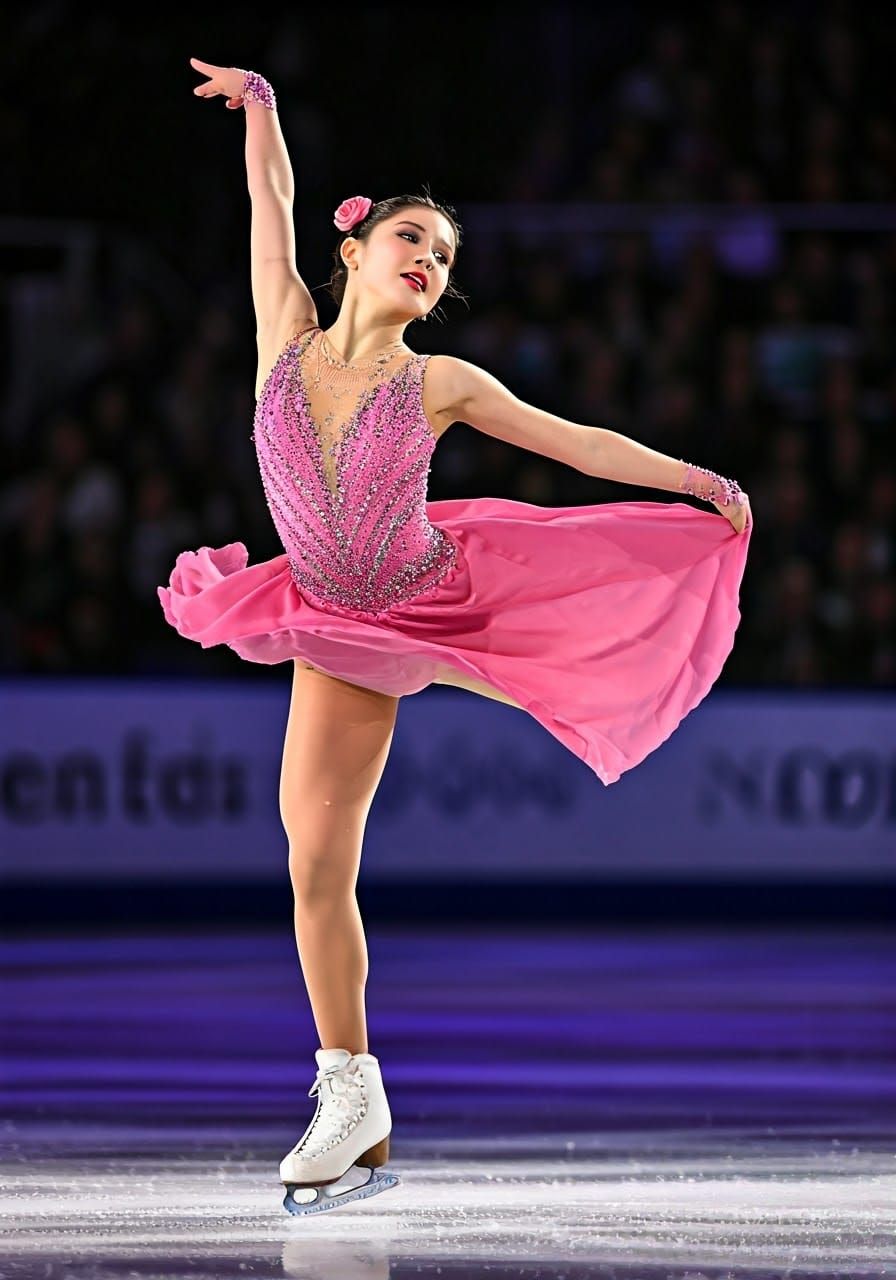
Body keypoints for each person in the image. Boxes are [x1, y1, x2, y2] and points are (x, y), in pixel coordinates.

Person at [159, 60, 754, 1214]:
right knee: (312, 863)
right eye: (412, 239)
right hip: (329, 614)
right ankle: (352, 1090)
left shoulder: (440, 380)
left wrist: (694, 479)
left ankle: (351, 1090)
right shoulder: (281, 327)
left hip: (425, 596)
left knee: (545, 667)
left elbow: (574, 443)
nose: (428, 260)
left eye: (442, 257)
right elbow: (267, 204)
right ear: (358, 252)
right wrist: (266, 104)